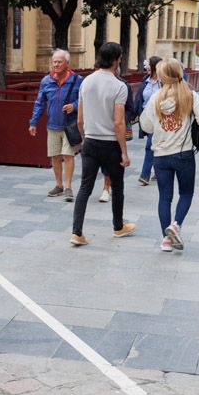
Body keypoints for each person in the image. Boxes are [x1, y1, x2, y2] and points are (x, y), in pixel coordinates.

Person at [68, 41, 138, 248]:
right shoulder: (119, 86)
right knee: (117, 186)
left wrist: (84, 137)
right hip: (110, 145)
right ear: (117, 59)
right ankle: (118, 226)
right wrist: (124, 151)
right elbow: (118, 122)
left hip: (89, 141)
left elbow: (80, 119)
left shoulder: (86, 82)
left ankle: (76, 232)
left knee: (84, 187)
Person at [139, 58, 199, 253]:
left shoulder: (156, 98)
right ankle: (176, 225)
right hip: (183, 153)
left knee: (165, 197)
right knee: (186, 193)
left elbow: (145, 126)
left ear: (162, 76)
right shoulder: (190, 96)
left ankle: (166, 240)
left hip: (160, 155)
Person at [28, 49, 81, 201]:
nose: (56, 64)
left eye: (59, 62)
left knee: (68, 155)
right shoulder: (46, 81)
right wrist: (33, 122)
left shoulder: (77, 80)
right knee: (55, 157)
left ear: (67, 64)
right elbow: (39, 102)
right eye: (54, 62)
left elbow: (84, 100)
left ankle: (69, 186)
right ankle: (59, 185)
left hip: (69, 125)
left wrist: (74, 106)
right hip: (52, 125)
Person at [137, 56, 162, 186]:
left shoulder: (163, 83)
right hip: (146, 118)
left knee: (149, 146)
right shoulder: (145, 81)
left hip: (159, 119)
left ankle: (144, 175)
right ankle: (159, 171)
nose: (146, 67)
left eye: (149, 65)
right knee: (156, 146)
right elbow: (139, 99)